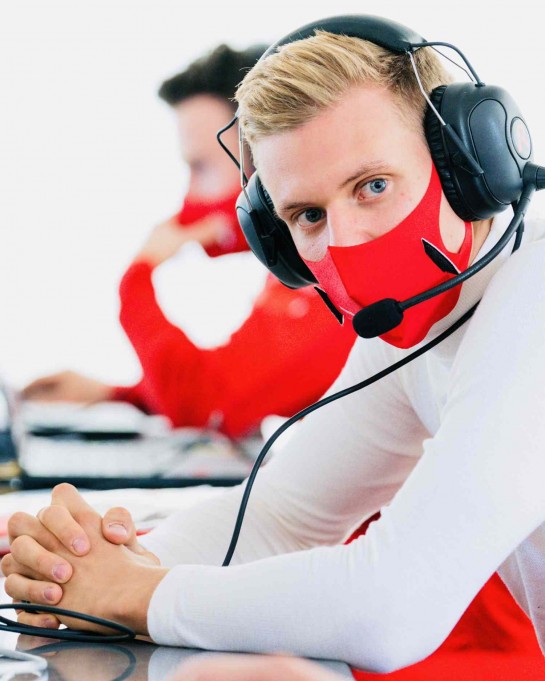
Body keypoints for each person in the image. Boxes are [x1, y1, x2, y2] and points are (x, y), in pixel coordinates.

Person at [3, 16, 545, 675]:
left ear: (467, 163)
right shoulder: (418, 318)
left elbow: (394, 606)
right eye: (307, 215)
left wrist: (131, 593)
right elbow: (281, 517)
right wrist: (86, 569)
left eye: (373, 186)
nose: (343, 243)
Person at [22, 44, 357, 439]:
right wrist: (119, 396)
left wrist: (136, 281)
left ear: (267, 167)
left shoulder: (338, 280)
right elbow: (253, 386)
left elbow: (205, 408)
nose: (187, 201)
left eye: (200, 168)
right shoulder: (297, 270)